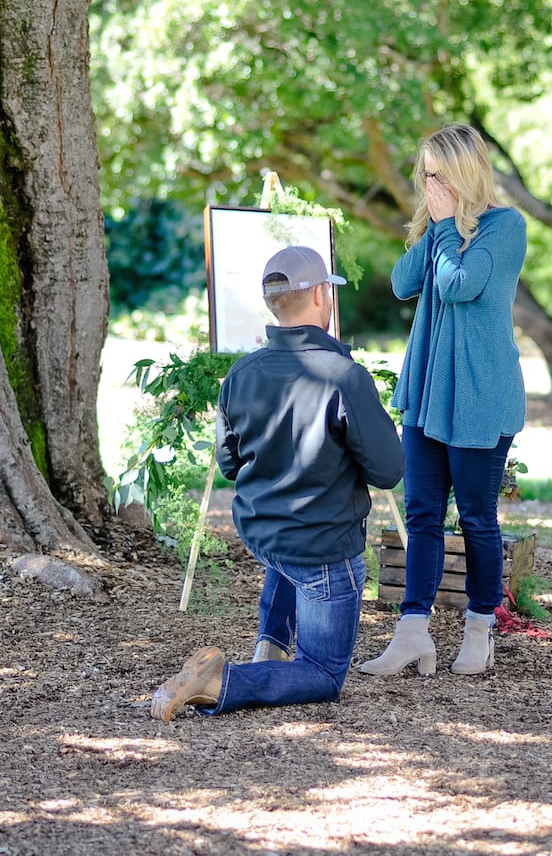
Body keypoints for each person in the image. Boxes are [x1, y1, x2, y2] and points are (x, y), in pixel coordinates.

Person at [151, 245, 405, 721]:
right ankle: (224, 681)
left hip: (262, 535)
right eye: (329, 289)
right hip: (323, 551)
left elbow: (230, 464)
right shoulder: (344, 377)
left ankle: (270, 643)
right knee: (323, 674)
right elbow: (389, 471)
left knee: (290, 551)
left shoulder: (241, 374)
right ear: (319, 296)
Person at [359, 124, 526, 678]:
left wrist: (449, 228)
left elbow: (460, 285)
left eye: (436, 174)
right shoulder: (438, 232)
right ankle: (412, 633)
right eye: (424, 174)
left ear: (462, 172)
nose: (427, 183)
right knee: (422, 513)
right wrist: (433, 227)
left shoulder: (505, 228)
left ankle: (480, 628)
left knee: (477, 517)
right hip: (430, 395)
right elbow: (402, 282)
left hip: (481, 396)